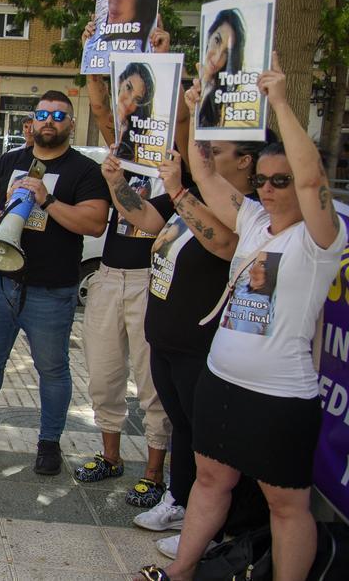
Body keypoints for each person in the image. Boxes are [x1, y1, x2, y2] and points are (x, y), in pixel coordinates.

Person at [138, 59, 346, 581]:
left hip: (278, 397)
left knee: (286, 506)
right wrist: (194, 112)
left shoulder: (321, 239)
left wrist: (278, 100)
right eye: (264, 180)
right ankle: (182, 571)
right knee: (209, 482)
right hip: (222, 380)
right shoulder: (254, 220)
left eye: (283, 180)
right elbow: (203, 173)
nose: (271, 188)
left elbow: (313, 176)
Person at [108, 135, 270, 561]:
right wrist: (114, 182)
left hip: (203, 344)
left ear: (246, 162)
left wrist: (180, 189)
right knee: (183, 427)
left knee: (207, 438)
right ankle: (180, 501)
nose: (205, 158)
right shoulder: (192, 194)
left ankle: (213, 525)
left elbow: (222, 244)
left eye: (215, 153)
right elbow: (144, 218)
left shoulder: (249, 211)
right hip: (165, 337)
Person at [0, 91, 109, 475]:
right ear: (31, 122)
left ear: (69, 122)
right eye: (44, 114)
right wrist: (0, 215)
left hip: (52, 289)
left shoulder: (84, 170)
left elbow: (95, 222)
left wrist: (46, 201)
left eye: (59, 115)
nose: (50, 121)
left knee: (52, 369)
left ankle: (48, 443)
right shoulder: (10, 161)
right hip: (0, 280)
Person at [74, 26, 171, 508]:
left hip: (154, 281)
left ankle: (154, 471)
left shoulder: (175, 157)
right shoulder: (123, 147)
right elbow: (96, 104)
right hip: (109, 276)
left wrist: (165, 58)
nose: (130, 102)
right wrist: (94, 48)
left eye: (141, 92)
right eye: (126, 92)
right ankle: (110, 456)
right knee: (103, 374)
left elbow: (147, 217)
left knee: (150, 381)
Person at [196, 9, 246, 129]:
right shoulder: (196, 86)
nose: (217, 58)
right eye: (217, 41)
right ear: (209, 35)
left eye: (226, 53)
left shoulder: (225, 97)